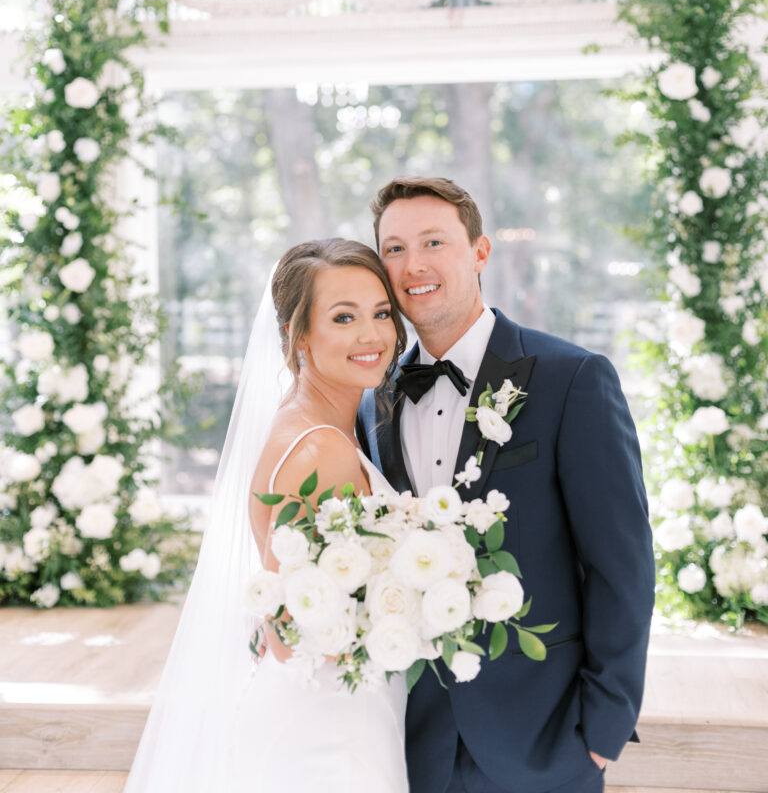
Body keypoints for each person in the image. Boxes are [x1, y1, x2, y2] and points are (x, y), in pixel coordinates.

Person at [357, 176, 656, 793]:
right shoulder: (372, 402)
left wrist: (601, 732)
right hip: (409, 743)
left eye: (433, 242)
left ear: (480, 252)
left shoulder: (572, 378)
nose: (414, 264)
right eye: (393, 249)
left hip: (544, 740)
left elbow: (621, 565)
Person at [124, 238, 410, 793]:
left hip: (332, 708)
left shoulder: (304, 418)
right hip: (327, 730)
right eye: (343, 317)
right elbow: (290, 634)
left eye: (381, 313)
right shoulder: (319, 449)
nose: (372, 335)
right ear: (298, 334)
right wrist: (419, 610)